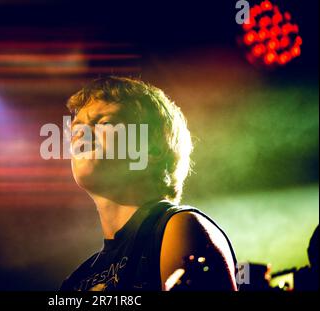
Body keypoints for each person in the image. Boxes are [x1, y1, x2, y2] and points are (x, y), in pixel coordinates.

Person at [59, 76, 238, 291]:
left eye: (104, 123)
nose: (81, 135)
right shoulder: (78, 278)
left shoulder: (178, 228)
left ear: (152, 149)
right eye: (77, 128)